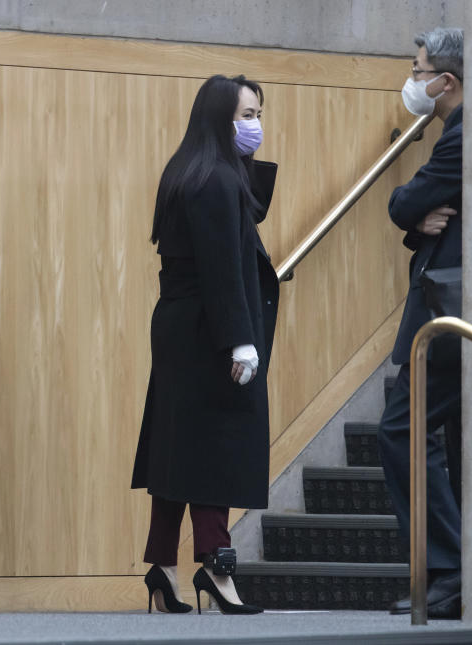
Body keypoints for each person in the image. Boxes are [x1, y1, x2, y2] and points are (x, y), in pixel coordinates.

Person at [130, 74, 279, 615]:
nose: (255, 125)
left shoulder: (189, 171)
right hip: (210, 330)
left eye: (258, 114)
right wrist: (240, 341)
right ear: (218, 119)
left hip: (179, 327)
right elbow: (223, 270)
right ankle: (218, 567)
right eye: (245, 115)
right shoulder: (215, 180)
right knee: (214, 449)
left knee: (179, 446)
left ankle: (163, 568)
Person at [376, 27, 465, 619]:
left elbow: (404, 202)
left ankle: (449, 567)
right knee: (446, 438)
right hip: (451, 310)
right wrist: (416, 220)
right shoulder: (456, 136)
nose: (413, 81)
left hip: (450, 315)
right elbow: (420, 217)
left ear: (446, 82)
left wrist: (412, 212)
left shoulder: (460, 136)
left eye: (417, 69)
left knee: (400, 427)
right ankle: (450, 573)